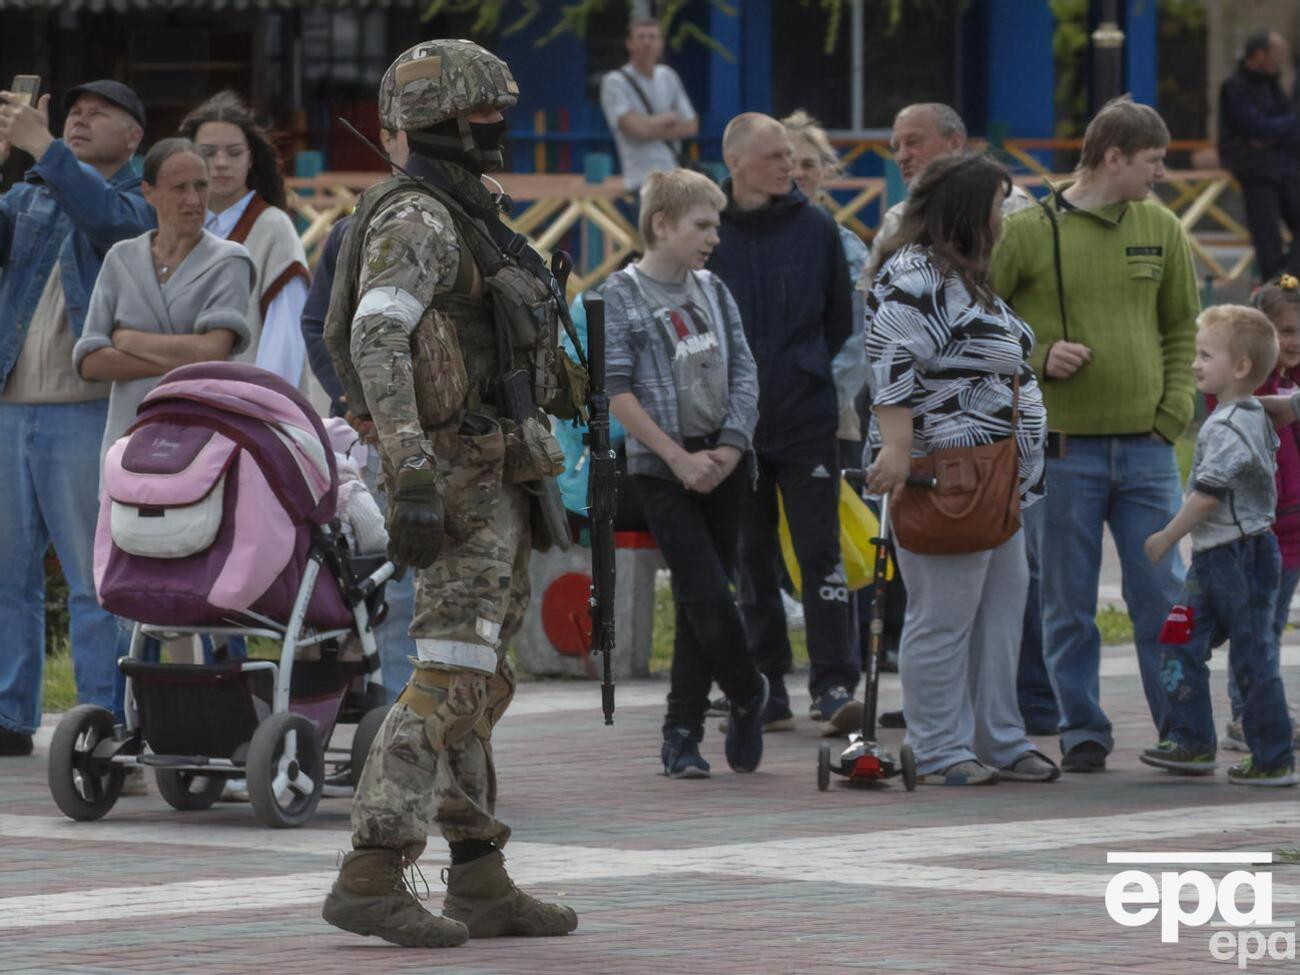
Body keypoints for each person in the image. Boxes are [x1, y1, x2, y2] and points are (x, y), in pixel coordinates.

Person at [319, 39, 578, 949]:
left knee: (482, 677)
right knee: (448, 676)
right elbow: (376, 337)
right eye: (484, 114)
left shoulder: (465, 212)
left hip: (496, 469)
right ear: (443, 121)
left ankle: (478, 873)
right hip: (458, 479)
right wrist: (411, 466)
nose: (499, 128)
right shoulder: (420, 221)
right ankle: (372, 870)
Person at [991, 96, 1200, 773]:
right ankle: (1082, 726)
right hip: (1062, 450)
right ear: (1112, 157)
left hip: (1148, 449)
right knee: (1066, 600)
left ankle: (1182, 726)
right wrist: (1039, 353)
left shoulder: (1161, 227)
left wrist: (1172, 413)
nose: (1159, 174)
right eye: (1151, 162)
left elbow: (1182, 330)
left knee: (1164, 598)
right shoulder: (1027, 230)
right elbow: (980, 322)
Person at [865, 151, 1057, 786]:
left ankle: (998, 738)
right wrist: (896, 450)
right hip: (946, 475)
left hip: (999, 479)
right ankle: (941, 747)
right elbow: (890, 365)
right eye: (1000, 205)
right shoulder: (914, 274)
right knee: (944, 616)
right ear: (971, 211)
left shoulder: (965, 274)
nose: (1007, 218)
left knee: (1002, 611)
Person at [0, 79, 153, 756]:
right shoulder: (31, 190)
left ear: (134, 136)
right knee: (8, 576)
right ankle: (10, 715)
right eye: (72, 113)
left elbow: (116, 231)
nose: (80, 120)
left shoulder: (139, 197)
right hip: (11, 408)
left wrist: (48, 150)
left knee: (96, 579)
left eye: (100, 114)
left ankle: (100, 717)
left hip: (87, 410)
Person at [604, 168, 767, 779]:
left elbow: (746, 371)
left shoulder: (714, 291)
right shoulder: (621, 295)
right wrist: (677, 458)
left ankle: (682, 735)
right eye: (702, 225)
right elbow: (617, 392)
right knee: (704, 595)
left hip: (724, 463)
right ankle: (749, 691)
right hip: (661, 470)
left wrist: (728, 449)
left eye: (716, 225)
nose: (713, 237)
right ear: (662, 224)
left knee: (709, 601)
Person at [706, 112, 858, 736]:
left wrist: (805, 370)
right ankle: (766, 686)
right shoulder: (708, 227)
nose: (787, 168)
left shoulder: (817, 228)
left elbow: (841, 321)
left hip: (805, 416)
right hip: (733, 425)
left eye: (790, 158)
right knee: (751, 559)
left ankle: (834, 684)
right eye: (773, 157)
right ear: (737, 161)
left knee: (820, 554)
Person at [1141, 304, 1296, 786]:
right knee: (1179, 638)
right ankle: (1189, 739)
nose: (1195, 364)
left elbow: (1208, 494)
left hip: (1240, 557)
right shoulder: (1241, 414)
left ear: (1242, 367)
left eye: (1206, 355)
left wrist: (1167, 536)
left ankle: (1272, 757)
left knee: (1253, 657)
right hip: (1214, 559)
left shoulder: (1230, 425)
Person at [301, 210, 418, 702]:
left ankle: (400, 707)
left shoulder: (447, 227)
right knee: (377, 575)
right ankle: (378, 702)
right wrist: (356, 399)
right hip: (360, 435)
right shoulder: (349, 232)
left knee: (409, 584)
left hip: (430, 430)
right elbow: (316, 323)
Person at [73, 137, 254, 456]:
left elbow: (213, 352)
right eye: (180, 188)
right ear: (149, 193)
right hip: (126, 438)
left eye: (201, 186)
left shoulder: (229, 260)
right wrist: (186, 354)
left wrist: (127, 340)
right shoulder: (120, 258)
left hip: (202, 437)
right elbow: (90, 362)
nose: (194, 199)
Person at [1215, 278, 1300, 752]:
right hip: (1256, 528)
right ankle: (1247, 718)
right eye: (1283, 330)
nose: (1294, 341)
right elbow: (1236, 409)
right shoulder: (1241, 381)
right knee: (1255, 629)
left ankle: (1267, 713)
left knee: (1271, 627)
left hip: (1294, 528)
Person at [179, 92, 309, 388]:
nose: (221, 163)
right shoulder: (172, 228)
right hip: (179, 403)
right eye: (208, 153)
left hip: (247, 406)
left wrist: (263, 407)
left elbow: (285, 337)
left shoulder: (272, 228)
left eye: (234, 152)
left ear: (251, 158)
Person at [868, 103, 1035, 280]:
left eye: (913, 142)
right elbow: (870, 294)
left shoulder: (1011, 205)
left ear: (955, 143)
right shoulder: (896, 218)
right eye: (895, 148)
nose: (902, 157)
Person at [1218, 30, 1300, 282]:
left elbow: (1287, 127)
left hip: (1284, 168)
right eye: (1277, 55)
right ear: (1259, 54)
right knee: (1268, 242)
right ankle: (1274, 293)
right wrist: (1280, 130)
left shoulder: (1273, 84)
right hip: (1255, 171)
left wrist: (1274, 134)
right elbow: (1256, 126)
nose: (1280, 61)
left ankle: (1288, 280)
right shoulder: (1235, 85)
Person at [600, 16, 698, 195]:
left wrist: (647, 125)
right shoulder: (615, 82)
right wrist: (666, 119)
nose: (647, 43)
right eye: (641, 37)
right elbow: (633, 129)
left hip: (675, 178)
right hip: (640, 182)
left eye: (652, 37)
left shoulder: (668, 76)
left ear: (661, 43)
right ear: (629, 43)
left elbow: (691, 125)